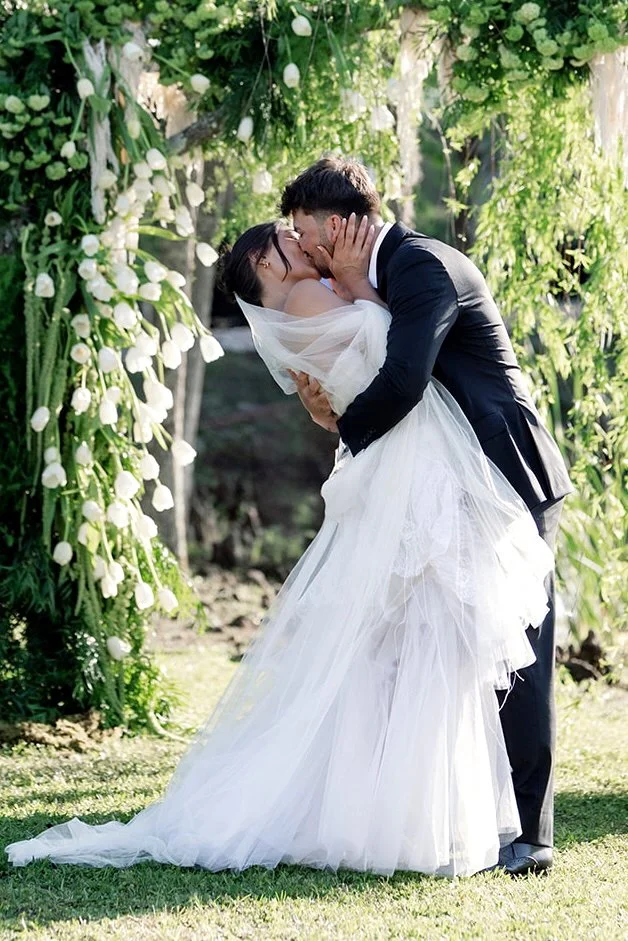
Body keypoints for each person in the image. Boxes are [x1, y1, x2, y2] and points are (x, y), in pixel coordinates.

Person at [6, 217, 554, 878]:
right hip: (408, 467)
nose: (299, 241)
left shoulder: (303, 305)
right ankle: (413, 813)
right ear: (263, 267)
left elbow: (359, 381)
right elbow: (395, 360)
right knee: (426, 640)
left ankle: (398, 809)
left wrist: (336, 378)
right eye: (284, 242)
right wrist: (358, 286)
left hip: (400, 465)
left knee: (402, 643)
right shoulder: (307, 298)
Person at [279, 156, 574, 875]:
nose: (303, 247)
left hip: (508, 471)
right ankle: (455, 816)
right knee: (448, 646)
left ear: (339, 224)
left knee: (518, 646)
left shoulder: (422, 267)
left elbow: (406, 378)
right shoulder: (369, 278)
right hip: (450, 487)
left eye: (305, 231)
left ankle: (531, 833)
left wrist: (344, 428)